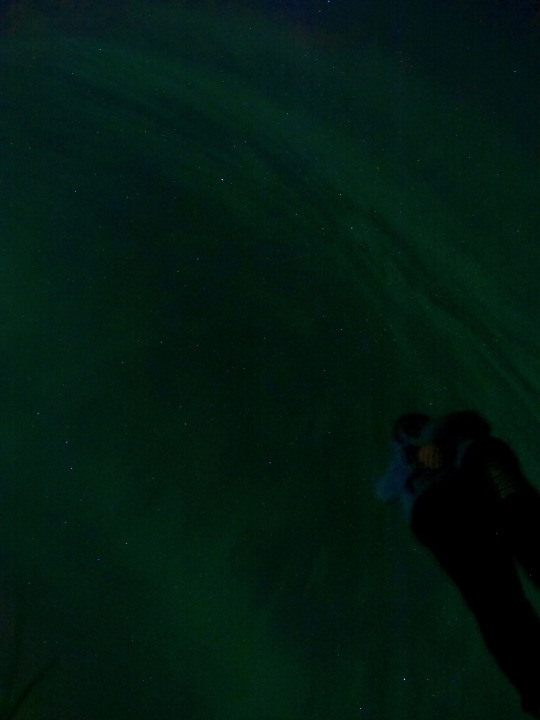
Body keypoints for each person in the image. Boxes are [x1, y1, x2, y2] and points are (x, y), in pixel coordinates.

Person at [375, 410, 540, 718]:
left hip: (447, 504)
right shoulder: (413, 455)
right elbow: (384, 489)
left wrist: (431, 444)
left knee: (497, 602)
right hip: (445, 504)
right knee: (498, 600)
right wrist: (414, 455)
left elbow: (384, 490)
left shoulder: (439, 436)